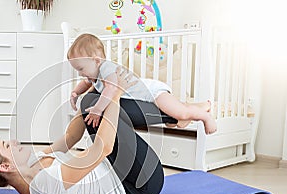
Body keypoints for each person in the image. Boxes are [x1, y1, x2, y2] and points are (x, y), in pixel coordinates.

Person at [0, 67, 178, 194]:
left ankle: (176, 115)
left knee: (92, 101)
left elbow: (70, 139)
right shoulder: (46, 185)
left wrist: (89, 96)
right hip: (139, 184)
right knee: (99, 101)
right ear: (6, 166)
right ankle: (175, 114)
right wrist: (114, 93)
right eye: (7, 146)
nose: (14, 141)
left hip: (121, 170)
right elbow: (104, 148)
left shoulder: (32, 165)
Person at [67, 33, 217, 134]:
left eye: (81, 68)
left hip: (153, 92)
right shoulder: (93, 73)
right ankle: (202, 106)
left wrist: (98, 109)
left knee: (180, 112)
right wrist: (75, 92)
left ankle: (205, 116)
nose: (80, 73)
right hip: (146, 93)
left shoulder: (107, 68)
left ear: (96, 60)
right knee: (177, 114)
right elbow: (85, 83)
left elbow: (111, 89)